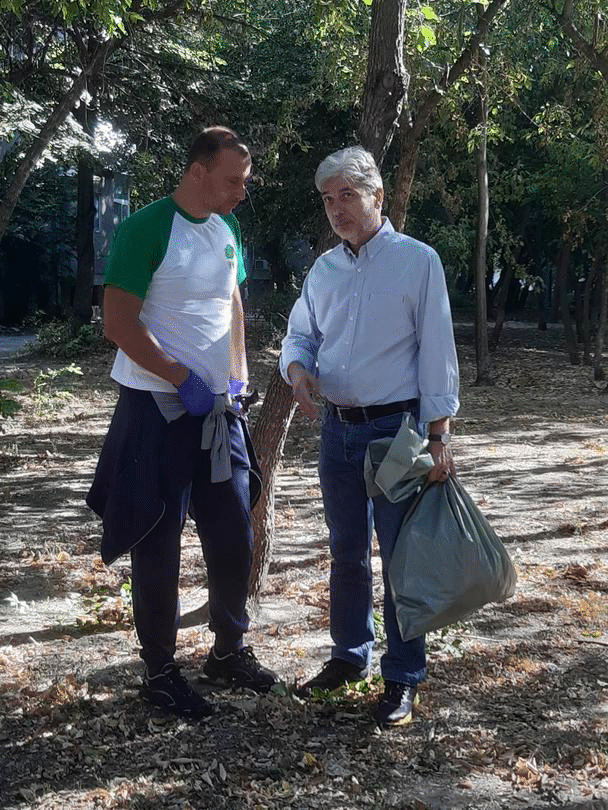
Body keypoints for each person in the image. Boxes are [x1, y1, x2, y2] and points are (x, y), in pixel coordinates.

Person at [87, 126, 279, 719]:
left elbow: (233, 302)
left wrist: (238, 377)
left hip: (219, 411)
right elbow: (118, 323)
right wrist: (179, 377)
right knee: (158, 540)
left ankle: (228, 649)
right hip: (156, 411)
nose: (241, 193)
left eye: (244, 182)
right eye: (232, 181)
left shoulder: (229, 229)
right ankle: (161, 672)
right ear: (198, 170)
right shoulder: (146, 228)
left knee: (231, 534)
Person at [279, 146, 459, 727]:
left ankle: (402, 675)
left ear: (377, 196)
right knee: (346, 553)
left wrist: (439, 435)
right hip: (337, 431)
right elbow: (301, 336)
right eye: (328, 200)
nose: (336, 209)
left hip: (396, 432)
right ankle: (349, 657)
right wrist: (299, 371)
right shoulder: (324, 269)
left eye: (347, 196)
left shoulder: (417, 262)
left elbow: (437, 350)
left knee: (400, 559)